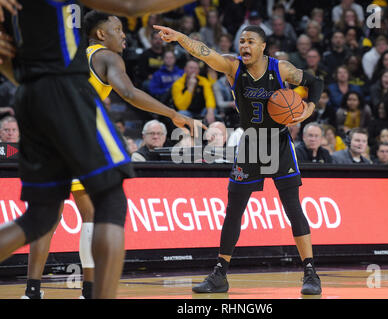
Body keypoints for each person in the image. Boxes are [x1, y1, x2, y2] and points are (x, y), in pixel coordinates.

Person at [0, 0, 201, 300]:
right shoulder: (103, 55)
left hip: (30, 95)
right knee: (110, 204)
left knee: (40, 217)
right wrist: (173, 114)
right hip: (68, 96)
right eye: (117, 29)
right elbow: (132, 8)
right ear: (99, 33)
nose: (123, 35)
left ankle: (34, 291)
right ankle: (94, 293)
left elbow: (10, 61)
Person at [154, 23, 324, 295]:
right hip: (250, 144)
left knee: (293, 208)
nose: (244, 45)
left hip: (278, 142)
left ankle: (310, 272)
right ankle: (220, 274)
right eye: (242, 41)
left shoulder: (280, 69)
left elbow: (315, 82)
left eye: (250, 41)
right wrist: (181, 38)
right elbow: (204, 52)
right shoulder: (234, 68)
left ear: (263, 46)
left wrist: (309, 109)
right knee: (234, 210)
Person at [171, 59, 217, 124]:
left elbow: (210, 98)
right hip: (187, 112)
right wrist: (190, 88)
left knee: (213, 110)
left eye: (196, 68)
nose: (193, 71)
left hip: (201, 111)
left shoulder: (204, 81)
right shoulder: (177, 84)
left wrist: (210, 112)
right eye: (191, 68)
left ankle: (210, 132)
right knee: (181, 114)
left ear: (198, 71)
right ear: (185, 69)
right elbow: (181, 107)